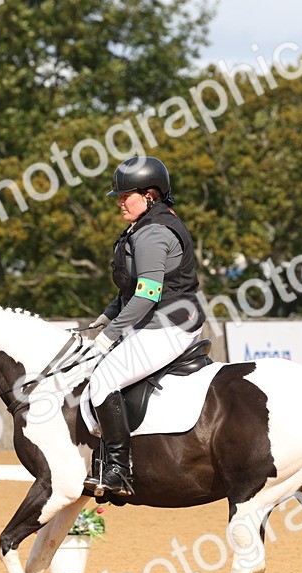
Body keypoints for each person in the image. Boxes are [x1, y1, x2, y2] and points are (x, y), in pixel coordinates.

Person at [83, 156, 205, 498]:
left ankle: (119, 470)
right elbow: (130, 288)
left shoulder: (153, 233)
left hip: (167, 324)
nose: (119, 201)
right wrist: (108, 316)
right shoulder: (142, 226)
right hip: (159, 320)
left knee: (104, 378)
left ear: (150, 195)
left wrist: (108, 337)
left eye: (126, 195)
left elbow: (147, 295)